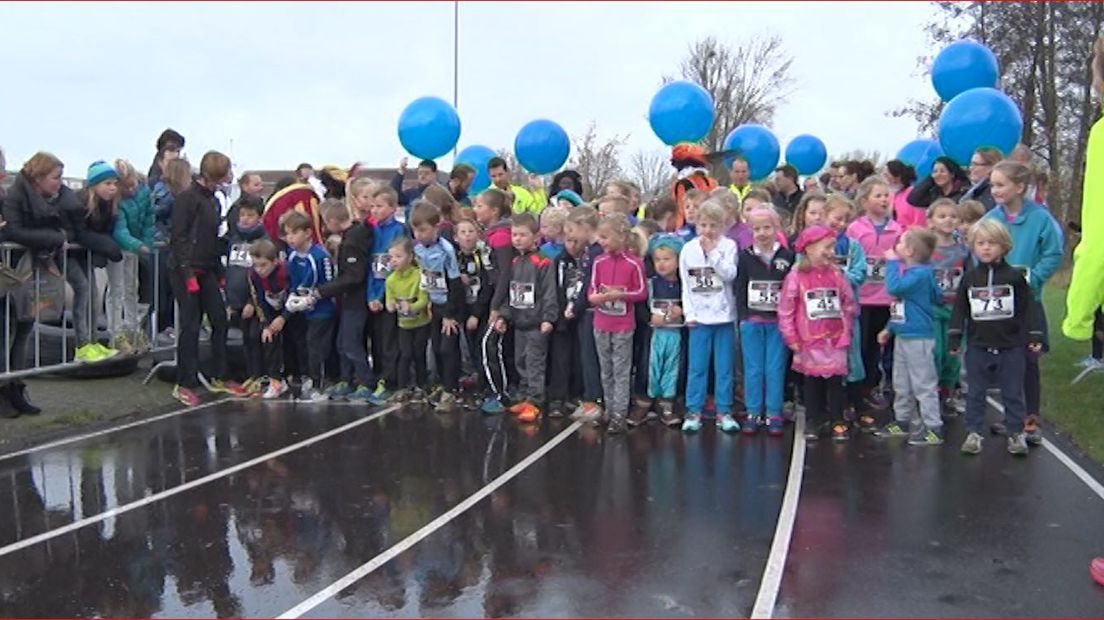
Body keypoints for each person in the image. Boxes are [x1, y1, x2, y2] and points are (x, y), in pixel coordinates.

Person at [983, 160, 1063, 444]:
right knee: (1003, 361)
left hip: (1028, 303)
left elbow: (1054, 253)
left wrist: (1033, 279)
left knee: (1029, 361)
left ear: (1020, 187)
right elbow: (978, 250)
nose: (995, 190)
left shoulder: (1040, 218)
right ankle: (1010, 418)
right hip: (999, 303)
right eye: (992, 184)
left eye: (1000, 184)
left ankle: (1030, 420)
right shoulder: (990, 218)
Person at [949, 219, 1042, 456]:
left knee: (1012, 392)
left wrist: (1034, 334)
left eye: (992, 243)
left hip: (1011, 346)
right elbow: (960, 309)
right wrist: (954, 337)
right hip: (979, 346)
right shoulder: (970, 278)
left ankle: (1015, 433)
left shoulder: (1014, 277)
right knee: (976, 392)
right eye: (980, 243)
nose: (986, 248)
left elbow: (1028, 307)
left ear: (1004, 246)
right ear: (973, 247)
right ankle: (974, 433)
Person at [168, 150, 249, 406]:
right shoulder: (186, 199)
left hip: (207, 269)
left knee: (219, 320)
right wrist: (187, 273)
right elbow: (179, 238)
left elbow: (212, 238)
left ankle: (220, 375)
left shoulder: (213, 200)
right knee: (190, 326)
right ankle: (185, 382)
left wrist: (219, 272)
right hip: (186, 270)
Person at [778, 225, 857, 441]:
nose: (831, 252)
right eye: (827, 247)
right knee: (811, 382)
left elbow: (848, 303)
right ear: (810, 248)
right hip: (808, 339)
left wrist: (846, 329)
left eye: (832, 247)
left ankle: (837, 420)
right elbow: (786, 309)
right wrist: (791, 336)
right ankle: (814, 420)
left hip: (835, 337)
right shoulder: (796, 276)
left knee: (835, 381)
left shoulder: (836, 274)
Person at [874, 228, 944, 445]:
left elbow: (894, 288)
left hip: (919, 337)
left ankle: (933, 426)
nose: (897, 247)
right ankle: (903, 420)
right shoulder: (914, 275)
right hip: (904, 334)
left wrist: (892, 263)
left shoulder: (919, 275)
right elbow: (900, 305)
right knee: (901, 381)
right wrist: (889, 328)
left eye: (901, 244)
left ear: (911, 251)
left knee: (923, 383)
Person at [491, 213, 558, 423]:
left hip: (536, 323)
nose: (517, 239)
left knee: (534, 361)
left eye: (522, 235)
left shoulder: (543, 262)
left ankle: (536, 400)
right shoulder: (515, 261)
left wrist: (549, 318)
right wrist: (504, 315)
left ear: (535, 237)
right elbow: (512, 293)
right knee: (520, 360)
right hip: (519, 321)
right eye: (514, 235)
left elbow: (549, 292)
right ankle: (524, 394)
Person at [678, 201, 739, 433]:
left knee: (724, 367)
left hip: (723, 317)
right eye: (703, 224)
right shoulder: (688, 249)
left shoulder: (729, 246)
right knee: (698, 367)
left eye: (713, 225)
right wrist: (689, 314)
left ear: (722, 226)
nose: (708, 230)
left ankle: (724, 411)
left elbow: (729, 274)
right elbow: (686, 284)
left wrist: (712, 252)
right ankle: (694, 410)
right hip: (699, 318)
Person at [846, 176, 902, 422]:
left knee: (879, 347)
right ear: (865, 200)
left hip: (885, 297)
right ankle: (854, 390)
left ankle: (872, 386)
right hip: (862, 297)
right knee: (860, 346)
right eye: (877, 195)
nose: (883, 199)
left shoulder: (897, 229)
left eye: (886, 195)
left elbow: (901, 259)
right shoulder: (856, 228)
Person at [735, 207, 794, 436]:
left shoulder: (787, 257)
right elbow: (739, 288)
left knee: (774, 368)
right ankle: (753, 411)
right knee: (753, 368)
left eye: (767, 227)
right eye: (757, 228)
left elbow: (791, 290)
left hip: (777, 323)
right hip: (752, 321)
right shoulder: (745, 256)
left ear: (776, 228)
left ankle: (773, 412)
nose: (762, 233)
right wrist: (743, 317)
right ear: (750, 230)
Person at [588, 213, 647, 434]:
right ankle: (609, 409)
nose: (601, 242)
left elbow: (641, 292)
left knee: (621, 369)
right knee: (606, 369)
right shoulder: (599, 261)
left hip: (623, 324)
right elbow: (592, 289)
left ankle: (619, 414)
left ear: (621, 237)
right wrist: (597, 298)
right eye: (600, 237)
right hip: (601, 321)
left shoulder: (634, 263)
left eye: (606, 237)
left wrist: (620, 295)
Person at [315, 198, 374, 402]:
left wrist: (323, 291)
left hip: (356, 301)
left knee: (351, 343)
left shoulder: (351, 242)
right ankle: (346, 379)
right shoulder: (355, 235)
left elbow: (354, 276)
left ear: (333, 221)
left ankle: (366, 381)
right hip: (348, 301)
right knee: (342, 342)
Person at [410, 202, 464, 413]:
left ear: (436, 228)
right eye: (415, 230)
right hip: (434, 304)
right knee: (436, 348)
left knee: (447, 348)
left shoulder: (446, 249)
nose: (419, 234)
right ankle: (442, 384)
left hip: (449, 305)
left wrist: (450, 314)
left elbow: (455, 284)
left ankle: (452, 389)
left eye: (423, 230)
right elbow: (424, 277)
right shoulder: (417, 249)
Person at [281, 210, 336, 402]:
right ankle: (308, 377)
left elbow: (330, 283)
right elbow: (292, 282)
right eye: (287, 234)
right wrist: (292, 299)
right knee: (303, 343)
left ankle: (319, 384)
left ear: (307, 233)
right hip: (303, 310)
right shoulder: (292, 256)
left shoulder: (319, 256)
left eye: (294, 233)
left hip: (322, 310)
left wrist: (313, 297)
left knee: (316, 346)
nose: (290, 238)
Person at [0, 146, 39, 416]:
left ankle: (16, 387)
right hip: (5, 274)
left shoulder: (8, 196)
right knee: (2, 334)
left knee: (23, 327)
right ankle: (3, 392)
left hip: (16, 272)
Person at [73, 161, 125, 359]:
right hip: (69, 254)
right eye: (107, 184)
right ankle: (82, 346)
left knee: (93, 298)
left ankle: (93, 342)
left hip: (85, 254)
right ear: (94, 185)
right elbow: (81, 233)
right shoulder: (81, 203)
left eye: (114, 183)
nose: (113, 188)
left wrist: (103, 249)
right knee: (83, 292)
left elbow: (104, 231)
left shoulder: (109, 206)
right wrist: (106, 246)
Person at [926, 199, 970, 415]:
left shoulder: (964, 249)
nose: (948, 220)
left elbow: (971, 275)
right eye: (942, 216)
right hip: (932, 309)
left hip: (956, 310)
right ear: (931, 221)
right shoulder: (925, 249)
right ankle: (930, 393)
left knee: (953, 354)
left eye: (953, 216)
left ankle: (947, 392)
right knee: (936, 352)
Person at [366, 184, 408, 403]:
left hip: (392, 293)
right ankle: (379, 376)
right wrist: (371, 296)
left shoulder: (398, 230)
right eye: (372, 206)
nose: (374, 210)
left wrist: (382, 296)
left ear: (392, 207)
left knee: (390, 339)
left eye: (380, 206)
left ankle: (390, 381)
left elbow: (394, 265)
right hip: (374, 292)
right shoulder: (372, 230)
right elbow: (371, 268)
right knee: (378, 340)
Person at [565, 206, 606, 422]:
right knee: (587, 356)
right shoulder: (591, 251)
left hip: (592, 312)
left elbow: (589, 283)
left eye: (572, 229)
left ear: (583, 227)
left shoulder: (596, 252)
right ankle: (593, 398)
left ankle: (594, 400)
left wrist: (576, 307)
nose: (570, 235)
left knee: (591, 357)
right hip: (588, 310)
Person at [111, 160, 155, 353]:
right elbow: (119, 229)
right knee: (117, 289)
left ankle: (132, 328)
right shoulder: (117, 202)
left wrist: (147, 242)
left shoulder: (144, 193)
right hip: (119, 248)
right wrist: (137, 244)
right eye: (127, 186)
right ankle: (116, 332)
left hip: (134, 247)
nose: (132, 188)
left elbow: (149, 219)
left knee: (132, 288)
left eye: (133, 183)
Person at [385, 237, 431, 402]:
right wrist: (390, 305)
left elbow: (424, 300)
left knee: (419, 354)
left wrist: (410, 307)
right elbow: (389, 301)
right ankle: (402, 387)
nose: (394, 261)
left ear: (410, 257)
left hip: (421, 323)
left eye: (399, 256)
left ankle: (421, 386)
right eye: (391, 257)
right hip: (404, 325)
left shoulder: (419, 275)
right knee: (405, 354)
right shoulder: (391, 280)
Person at [243, 239, 290, 399]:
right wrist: (266, 324)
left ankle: (298, 376)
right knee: (268, 338)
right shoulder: (253, 276)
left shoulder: (285, 273)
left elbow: (293, 294)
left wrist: (284, 317)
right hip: (270, 309)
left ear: (275, 261)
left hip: (292, 308)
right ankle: (275, 380)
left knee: (296, 341)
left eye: (263, 265)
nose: (259, 270)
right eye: (256, 265)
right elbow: (258, 300)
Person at [671, 144, 719, 229]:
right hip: (711, 226)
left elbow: (681, 212)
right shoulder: (712, 183)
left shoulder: (682, 184)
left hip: (687, 229)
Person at [883, 159, 921, 229]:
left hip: (910, 236)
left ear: (897, 176)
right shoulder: (888, 194)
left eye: (886, 175)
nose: (883, 178)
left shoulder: (913, 193)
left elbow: (920, 223)